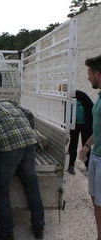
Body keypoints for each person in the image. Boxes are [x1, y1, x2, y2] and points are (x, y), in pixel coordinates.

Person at [0, 91, 45, 240]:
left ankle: (6, 233)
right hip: (30, 142)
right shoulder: (6, 101)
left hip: (8, 148)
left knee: (1, 190)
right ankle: (39, 228)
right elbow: (28, 114)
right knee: (31, 186)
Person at [79, 55, 101, 240]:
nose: (87, 78)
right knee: (95, 200)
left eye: (89, 74)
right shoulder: (100, 97)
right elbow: (99, 128)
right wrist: (86, 145)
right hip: (95, 155)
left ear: (98, 74)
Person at [68, 90, 93, 175]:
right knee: (73, 144)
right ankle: (71, 165)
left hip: (85, 125)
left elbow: (91, 106)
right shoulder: (69, 99)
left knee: (86, 145)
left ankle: (88, 166)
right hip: (74, 125)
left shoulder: (82, 97)